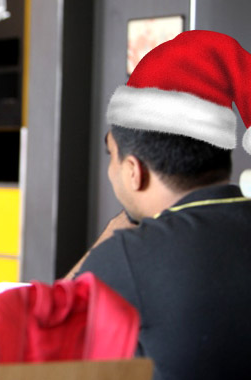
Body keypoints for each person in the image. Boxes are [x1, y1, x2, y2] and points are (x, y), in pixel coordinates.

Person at [68, 30, 251, 380]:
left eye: (112, 155)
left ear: (134, 171)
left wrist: (104, 245)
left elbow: (40, 332)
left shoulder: (129, 254)